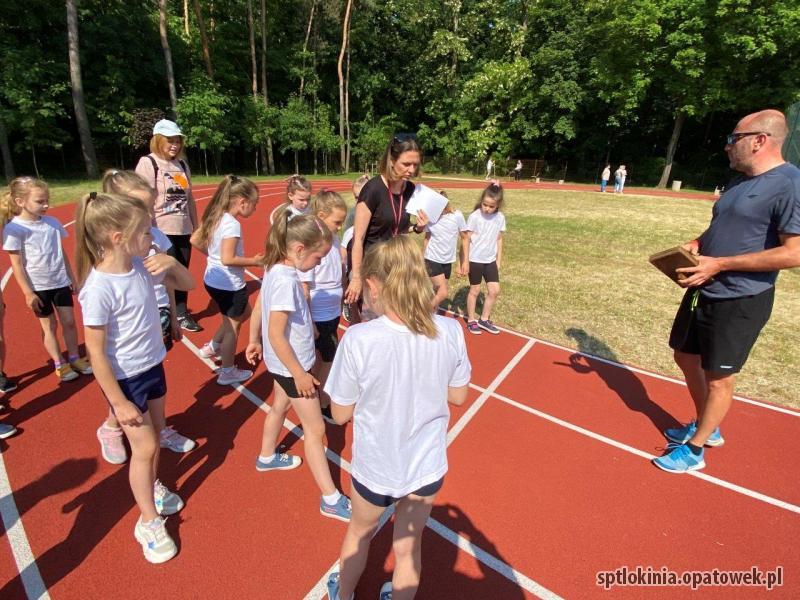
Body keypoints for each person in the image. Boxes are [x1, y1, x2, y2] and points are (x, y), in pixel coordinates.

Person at [653, 109, 800, 473]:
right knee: (685, 357)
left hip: (741, 298)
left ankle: (696, 449)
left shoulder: (790, 183)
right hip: (705, 287)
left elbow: (794, 252)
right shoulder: (738, 182)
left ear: (759, 141)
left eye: (734, 139)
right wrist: (699, 245)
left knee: (720, 377)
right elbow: (722, 228)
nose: (727, 146)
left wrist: (720, 264)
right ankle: (709, 424)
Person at [324, 236, 470, 600]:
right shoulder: (450, 331)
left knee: (359, 536)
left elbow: (340, 413)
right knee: (409, 547)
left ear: (372, 284)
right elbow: (458, 395)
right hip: (426, 466)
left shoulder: (358, 339)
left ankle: (344, 596)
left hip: (377, 466)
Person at [75, 191, 195, 563]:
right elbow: (95, 352)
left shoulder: (143, 266)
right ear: (117, 236)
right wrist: (118, 402)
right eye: (146, 231)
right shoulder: (98, 288)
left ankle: (153, 485)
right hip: (126, 380)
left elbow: (189, 285)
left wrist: (170, 263)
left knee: (156, 438)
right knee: (143, 448)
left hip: (152, 365)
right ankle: (147, 520)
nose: (152, 237)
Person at [245, 210, 351, 521]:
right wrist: (300, 374)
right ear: (299, 249)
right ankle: (330, 498)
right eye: (318, 258)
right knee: (316, 431)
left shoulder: (280, 271)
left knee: (278, 406)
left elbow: (269, 319)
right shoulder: (284, 281)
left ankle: (266, 456)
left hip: (285, 365)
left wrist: (256, 339)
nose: (318, 265)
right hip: (292, 367)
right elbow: (276, 333)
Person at [98, 169, 196, 463]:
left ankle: (161, 428)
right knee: (130, 380)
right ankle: (112, 426)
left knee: (153, 373)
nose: (149, 215)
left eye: (150, 208)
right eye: (140, 208)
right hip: (126, 326)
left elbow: (168, 278)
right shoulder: (110, 248)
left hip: (156, 315)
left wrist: (174, 317)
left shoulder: (155, 235)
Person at [2, 177, 92, 382]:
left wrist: (71, 277)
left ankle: (75, 357)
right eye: (40, 201)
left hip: (60, 281)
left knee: (69, 321)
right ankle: (59, 363)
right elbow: (16, 265)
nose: (46, 205)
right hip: (38, 286)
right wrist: (27, 292)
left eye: (47, 200)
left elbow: (61, 253)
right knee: (49, 326)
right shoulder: (14, 229)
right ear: (20, 202)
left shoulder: (53, 223)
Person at [343, 134, 428, 315]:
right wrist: (357, 277)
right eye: (406, 164)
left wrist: (417, 228)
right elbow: (358, 238)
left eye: (415, 164)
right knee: (372, 322)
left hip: (395, 265)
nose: (411, 170)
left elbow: (397, 227)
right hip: (371, 265)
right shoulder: (373, 189)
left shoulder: (411, 189)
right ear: (392, 160)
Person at [191, 175, 262, 386]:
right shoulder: (232, 225)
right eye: (254, 204)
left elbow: (194, 239)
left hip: (213, 280)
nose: (256, 208)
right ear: (242, 202)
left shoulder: (216, 214)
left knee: (241, 314)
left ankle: (212, 346)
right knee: (233, 327)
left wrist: (212, 257)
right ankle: (228, 371)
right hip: (230, 284)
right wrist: (255, 261)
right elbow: (228, 258)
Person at [135, 119, 201, 333]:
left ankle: (181, 313)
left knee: (181, 270)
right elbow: (142, 198)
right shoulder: (148, 163)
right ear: (158, 140)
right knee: (164, 274)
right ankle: (164, 312)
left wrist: (196, 225)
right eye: (170, 141)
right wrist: (147, 229)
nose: (175, 145)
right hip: (160, 228)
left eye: (178, 141)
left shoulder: (181, 165)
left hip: (182, 227)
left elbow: (189, 198)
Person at [300, 190, 347, 423]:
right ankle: (322, 402)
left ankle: (314, 397)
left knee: (322, 357)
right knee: (329, 357)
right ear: (320, 216)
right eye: (336, 222)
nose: (339, 227)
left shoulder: (334, 240)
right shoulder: (313, 245)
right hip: (318, 315)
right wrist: (310, 320)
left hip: (332, 312)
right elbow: (305, 286)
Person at [463, 182, 506, 335]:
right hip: (475, 259)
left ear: (498, 205)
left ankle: (484, 319)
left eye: (491, 206)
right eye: (485, 205)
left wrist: (498, 260)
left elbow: (499, 239)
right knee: (475, 290)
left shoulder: (500, 218)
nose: (487, 208)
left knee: (494, 290)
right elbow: (466, 239)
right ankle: (471, 320)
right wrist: (465, 261)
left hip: (490, 261)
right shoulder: (475, 216)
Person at [423, 191, 468, 310]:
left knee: (436, 291)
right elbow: (427, 238)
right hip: (432, 258)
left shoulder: (457, 216)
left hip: (447, 261)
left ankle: (431, 316)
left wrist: (463, 262)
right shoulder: (430, 219)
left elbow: (465, 238)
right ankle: (421, 314)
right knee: (443, 293)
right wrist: (423, 258)